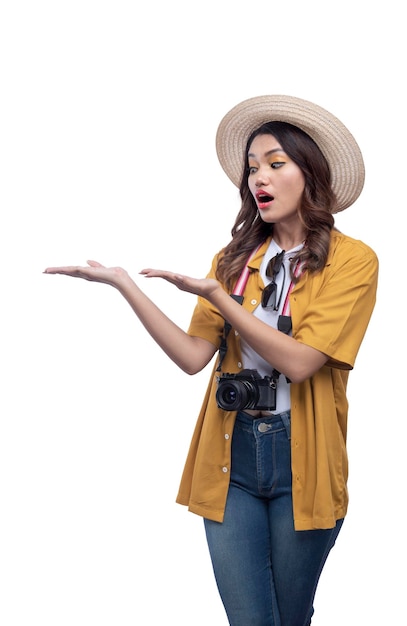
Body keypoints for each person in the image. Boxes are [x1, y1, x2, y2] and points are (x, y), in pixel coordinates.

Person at [44, 94, 379, 625]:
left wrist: (217, 298)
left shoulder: (352, 260)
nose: (258, 179)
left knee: (290, 619)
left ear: (309, 173)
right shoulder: (233, 261)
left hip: (305, 463)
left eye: (275, 164)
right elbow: (192, 357)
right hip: (231, 459)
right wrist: (125, 286)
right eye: (251, 168)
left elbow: (301, 363)